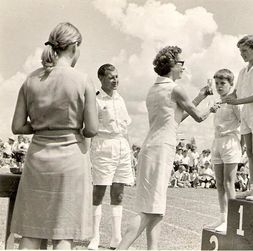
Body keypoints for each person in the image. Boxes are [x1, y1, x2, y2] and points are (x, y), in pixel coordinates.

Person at [118, 46, 216, 250]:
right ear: (172, 65)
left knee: (155, 209)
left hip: (151, 147)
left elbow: (177, 117)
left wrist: (200, 96)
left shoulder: (155, 89)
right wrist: (211, 108)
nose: (184, 67)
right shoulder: (175, 89)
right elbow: (198, 116)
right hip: (161, 149)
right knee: (147, 211)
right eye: (181, 63)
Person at [10, 22, 98, 249]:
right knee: (63, 234)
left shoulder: (31, 80)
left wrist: (42, 125)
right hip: (70, 160)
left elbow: (18, 127)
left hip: (38, 159)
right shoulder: (82, 80)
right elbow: (91, 129)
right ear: (75, 46)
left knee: (31, 231)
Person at [87, 64, 134, 250]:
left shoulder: (120, 99)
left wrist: (129, 152)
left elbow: (126, 128)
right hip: (103, 145)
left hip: (121, 146)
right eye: (111, 77)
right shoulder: (95, 100)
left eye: (116, 77)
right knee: (99, 191)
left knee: (119, 191)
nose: (115, 81)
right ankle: (95, 237)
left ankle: (116, 238)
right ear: (101, 79)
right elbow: (89, 127)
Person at [222, 35, 253, 200]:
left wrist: (237, 100)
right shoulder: (242, 71)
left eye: (245, 51)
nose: (242, 54)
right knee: (249, 152)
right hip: (245, 113)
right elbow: (236, 92)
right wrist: (226, 97)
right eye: (240, 51)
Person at [207, 69, 241, 232]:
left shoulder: (234, 101)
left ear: (230, 84)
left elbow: (243, 120)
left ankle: (232, 220)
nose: (219, 87)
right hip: (217, 141)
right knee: (219, 183)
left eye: (223, 83)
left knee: (228, 182)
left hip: (230, 142)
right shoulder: (217, 102)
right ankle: (222, 218)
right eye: (217, 83)